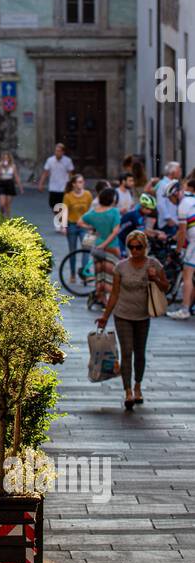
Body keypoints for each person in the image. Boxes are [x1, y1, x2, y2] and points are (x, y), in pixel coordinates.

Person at [97, 230, 169, 409]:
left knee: (140, 353)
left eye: (139, 247)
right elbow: (114, 294)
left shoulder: (154, 264)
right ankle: (128, 391)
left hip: (143, 315)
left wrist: (155, 278)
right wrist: (105, 316)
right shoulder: (120, 267)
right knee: (127, 352)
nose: (135, 250)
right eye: (131, 247)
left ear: (145, 247)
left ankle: (138, 386)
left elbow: (165, 287)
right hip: (122, 315)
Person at [81, 187, 122, 307]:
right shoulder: (114, 212)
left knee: (100, 274)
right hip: (112, 247)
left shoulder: (93, 213)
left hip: (97, 246)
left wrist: (91, 229)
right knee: (111, 274)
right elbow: (115, 231)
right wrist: (105, 245)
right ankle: (108, 300)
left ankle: (101, 297)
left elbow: (80, 221)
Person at [169, 170, 195, 320]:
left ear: (175, 194)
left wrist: (178, 251)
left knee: (187, 274)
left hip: (194, 242)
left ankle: (185, 309)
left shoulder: (183, 205)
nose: (171, 202)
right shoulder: (192, 199)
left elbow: (183, 232)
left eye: (170, 198)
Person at [62, 173, 93, 274]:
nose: (82, 184)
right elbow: (64, 211)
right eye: (79, 182)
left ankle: (85, 273)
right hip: (72, 226)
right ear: (74, 184)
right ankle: (72, 274)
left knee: (87, 250)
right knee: (72, 251)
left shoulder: (88, 194)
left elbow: (92, 211)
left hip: (86, 226)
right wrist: (64, 226)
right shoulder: (68, 196)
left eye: (83, 181)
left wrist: (93, 226)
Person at [38, 143, 75, 211]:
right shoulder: (50, 160)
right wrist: (41, 184)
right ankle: (59, 219)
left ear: (63, 152)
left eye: (59, 151)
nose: (57, 153)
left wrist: (71, 186)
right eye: (56, 151)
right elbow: (45, 173)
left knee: (63, 207)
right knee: (54, 207)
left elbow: (70, 174)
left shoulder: (67, 161)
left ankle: (61, 220)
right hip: (53, 187)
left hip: (64, 188)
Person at [0, 152, 21, 219]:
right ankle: (1, 215)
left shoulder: (13, 166)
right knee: (2, 204)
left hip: (10, 184)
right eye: (4, 158)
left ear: (9, 159)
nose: (6, 159)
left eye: (7, 158)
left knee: (8, 204)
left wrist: (20, 187)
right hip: (2, 183)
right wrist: (0, 166)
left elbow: (16, 176)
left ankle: (8, 218)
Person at [156, 161, 182, 231]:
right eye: (179, 171)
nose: (180, 173)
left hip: (176, 221)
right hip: (168, 223)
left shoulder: (174, 183)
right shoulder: (163, 184)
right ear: (172, 172)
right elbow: (160, 203)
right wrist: (167, 218)